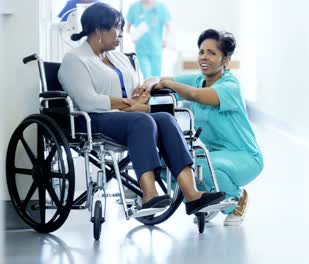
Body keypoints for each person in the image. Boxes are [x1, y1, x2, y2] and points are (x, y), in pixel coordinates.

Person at [57, 3, 225, 215]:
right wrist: (129, 104)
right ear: (99, 30)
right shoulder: (75, 59)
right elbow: (87, 100)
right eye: (116, 28)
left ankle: (192, 195)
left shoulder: (117, 56)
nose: (120, 33)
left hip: (126, 118)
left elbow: (133, 90)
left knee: (164, 118)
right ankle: (149, 195)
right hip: (93, 119)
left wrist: (140, 97)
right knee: (142, 120)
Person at [136, 29, 264, 226]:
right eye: (201, 52)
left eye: (212, 53)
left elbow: (195, 95)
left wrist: (169, 83)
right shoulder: (198, 79)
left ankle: (236, 199)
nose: (204, 57)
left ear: (226, 60)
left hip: (244, 156)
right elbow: (160, 80)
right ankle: (210, 200)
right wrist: (150, 83)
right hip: (212, 153)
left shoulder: (230, 87)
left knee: (199, 167)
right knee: (166, 165)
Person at [126, 0, 171, 79]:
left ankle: (154, 90)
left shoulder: (161, 7)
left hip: (156, 48)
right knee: (146, 75)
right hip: (141, 48)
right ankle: (148, 90)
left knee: (156, 76)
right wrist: (132, 36)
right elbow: (128, 28)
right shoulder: (134, 7)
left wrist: (166, 39)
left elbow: (168, 26)